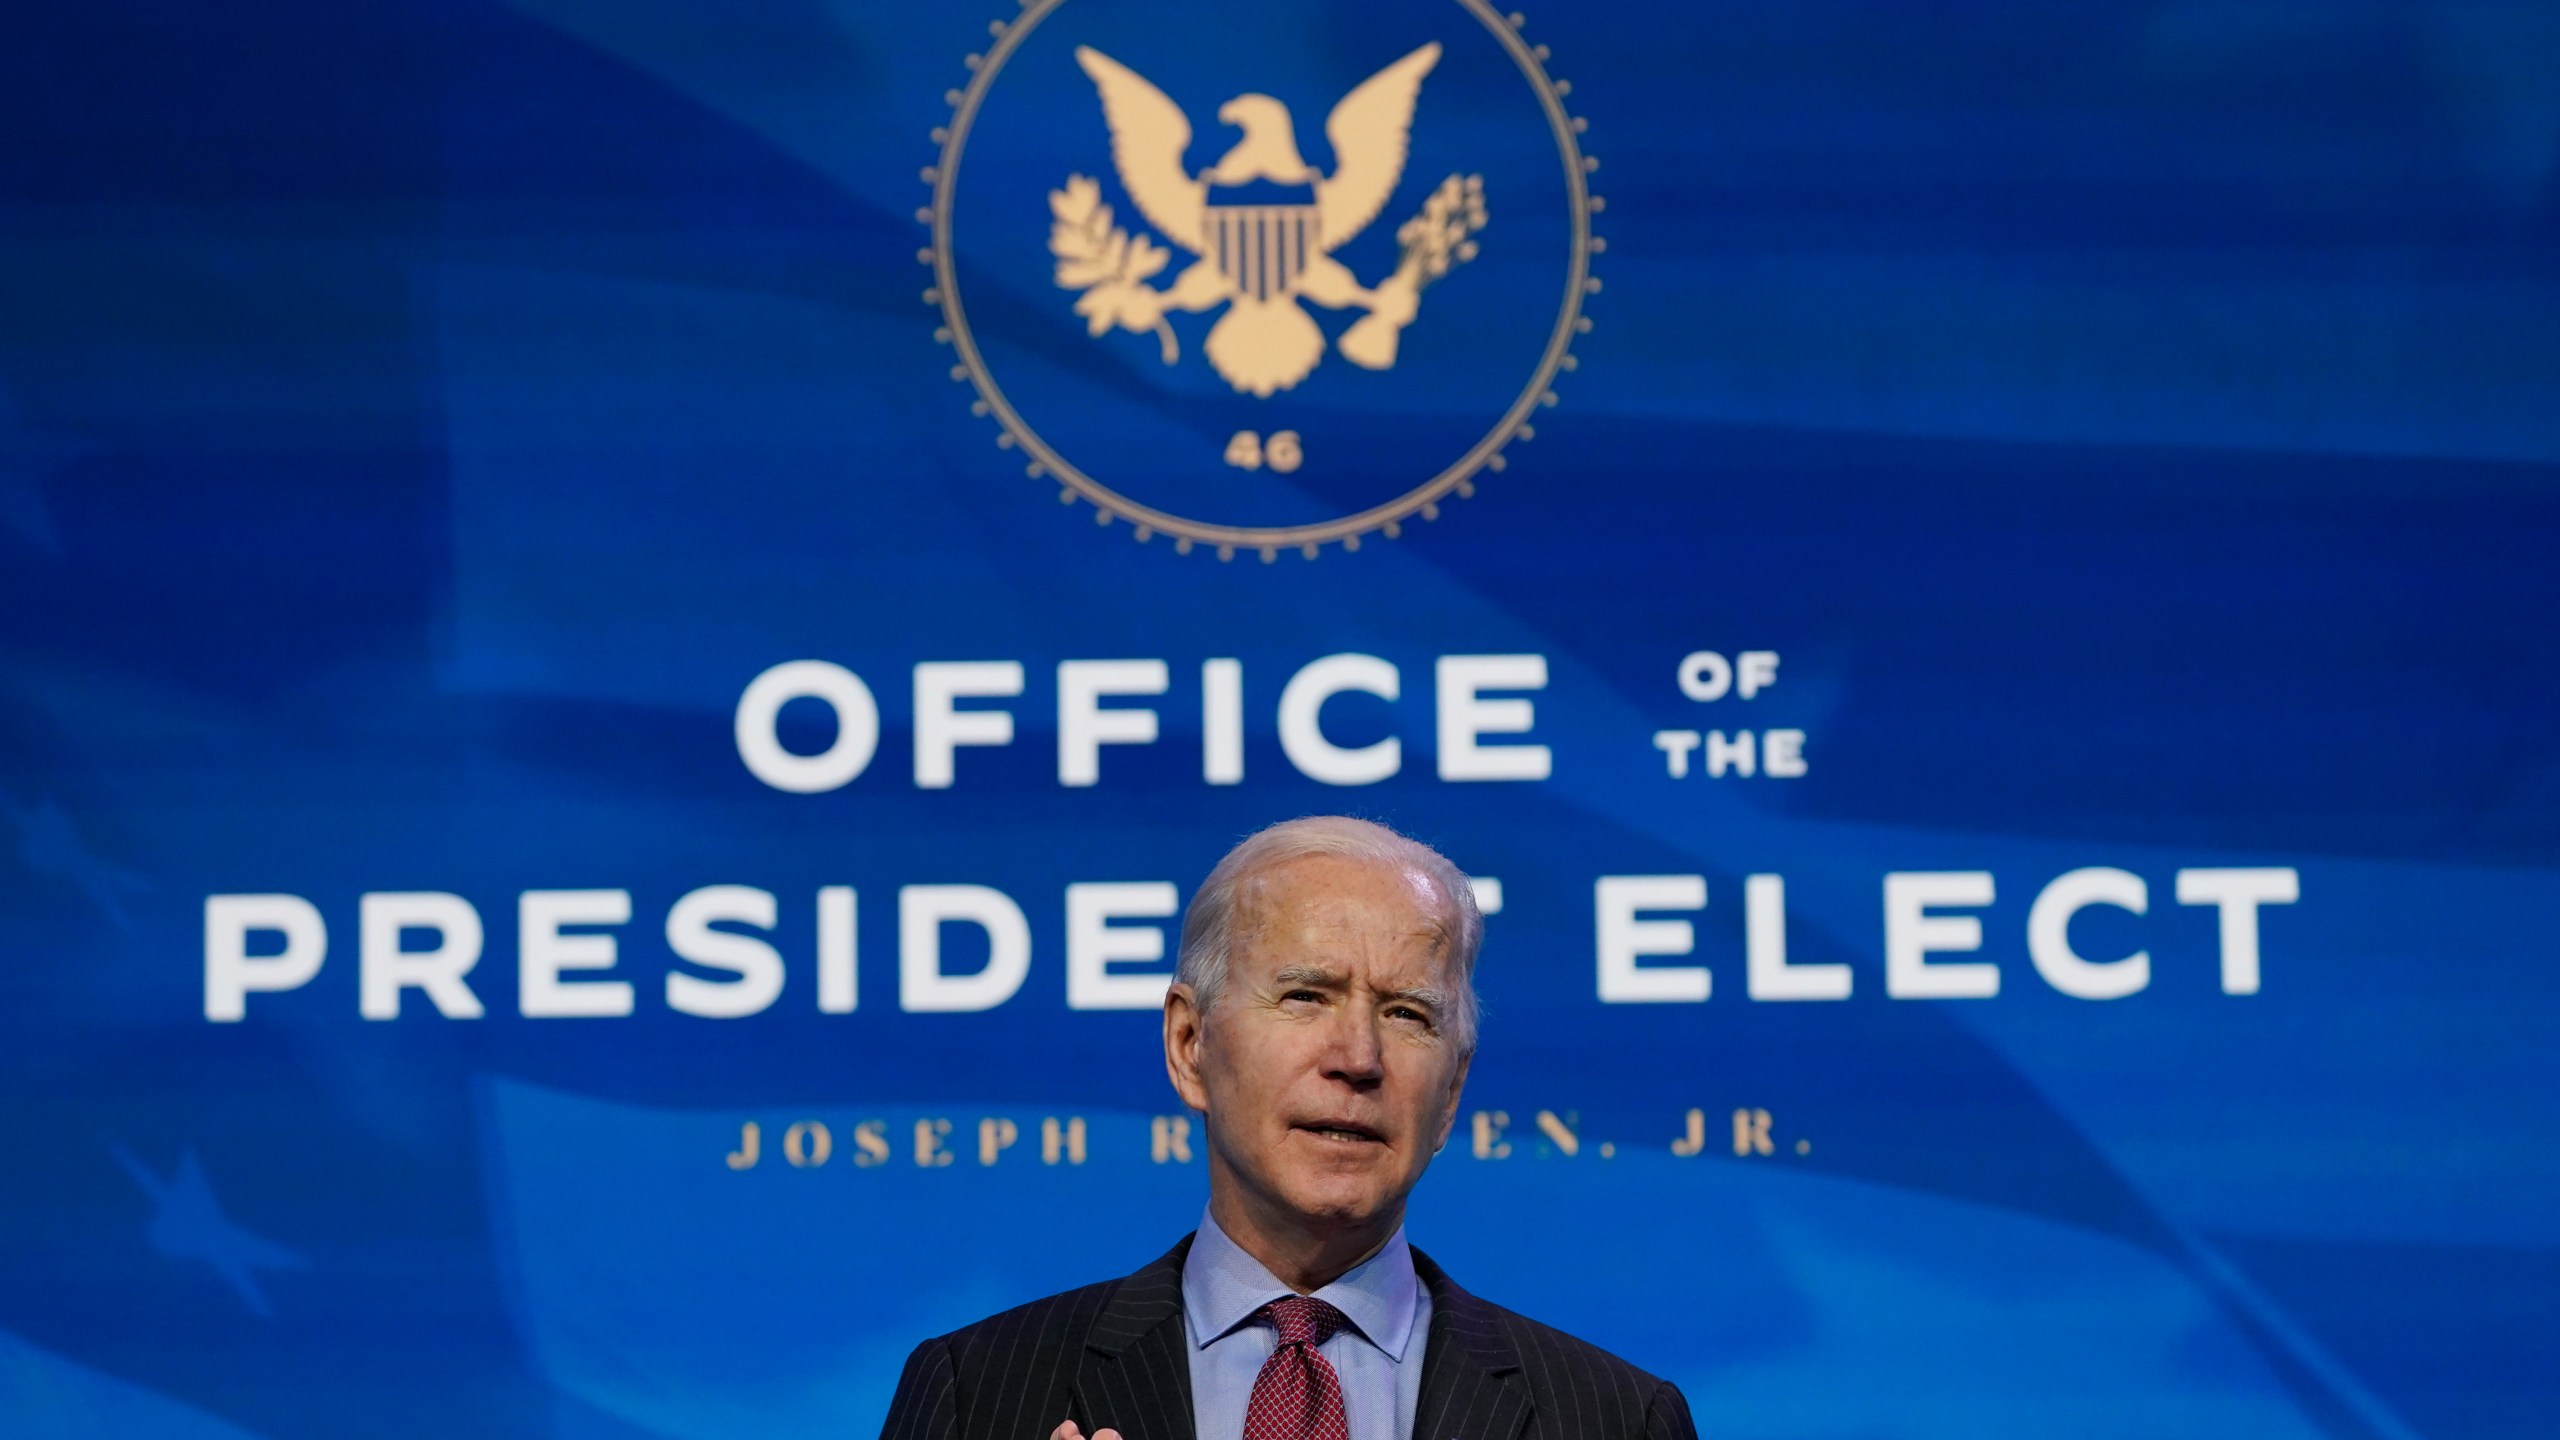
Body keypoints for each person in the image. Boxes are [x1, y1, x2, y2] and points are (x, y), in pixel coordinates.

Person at [880, 816, 1697, 1440]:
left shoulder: (1617, 1419)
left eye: (1408, 1013)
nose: (1358, 1057)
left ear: (1452, 1094)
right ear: (1189, 1045)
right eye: (1306, 996)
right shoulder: (978, 1394)